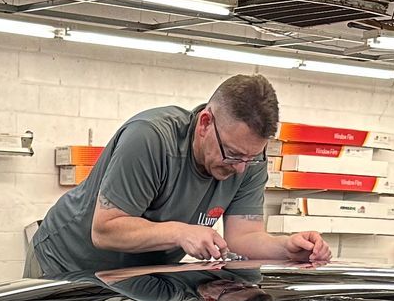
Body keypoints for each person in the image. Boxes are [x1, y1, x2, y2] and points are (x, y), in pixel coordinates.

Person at [25, 74, 332, 279]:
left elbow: (244, 238)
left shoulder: (248, 159)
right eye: (234, 155)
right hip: (65, 263)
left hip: (135, 279)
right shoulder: (150, 138)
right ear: (205, 123)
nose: (241, 167)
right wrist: (180, 232)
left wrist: (286, 248)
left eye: (250, 158)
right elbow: (105, 230)